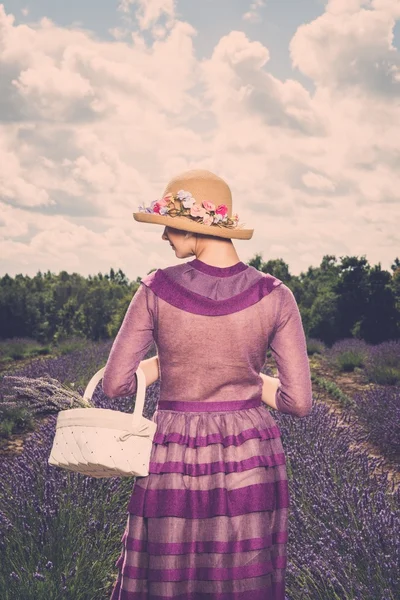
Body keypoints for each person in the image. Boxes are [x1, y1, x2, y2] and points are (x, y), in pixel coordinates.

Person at [102, 169, 313, 600]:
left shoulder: (155, 289)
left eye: (168, 224)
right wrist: (243, 375)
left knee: (166, 577)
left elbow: (116, 384)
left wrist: (172, 362)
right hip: (251, 457)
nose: (163, 236)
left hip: (173, 456)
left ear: (194, 225)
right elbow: (298, 402)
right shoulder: (276, 296)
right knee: (240, 580)